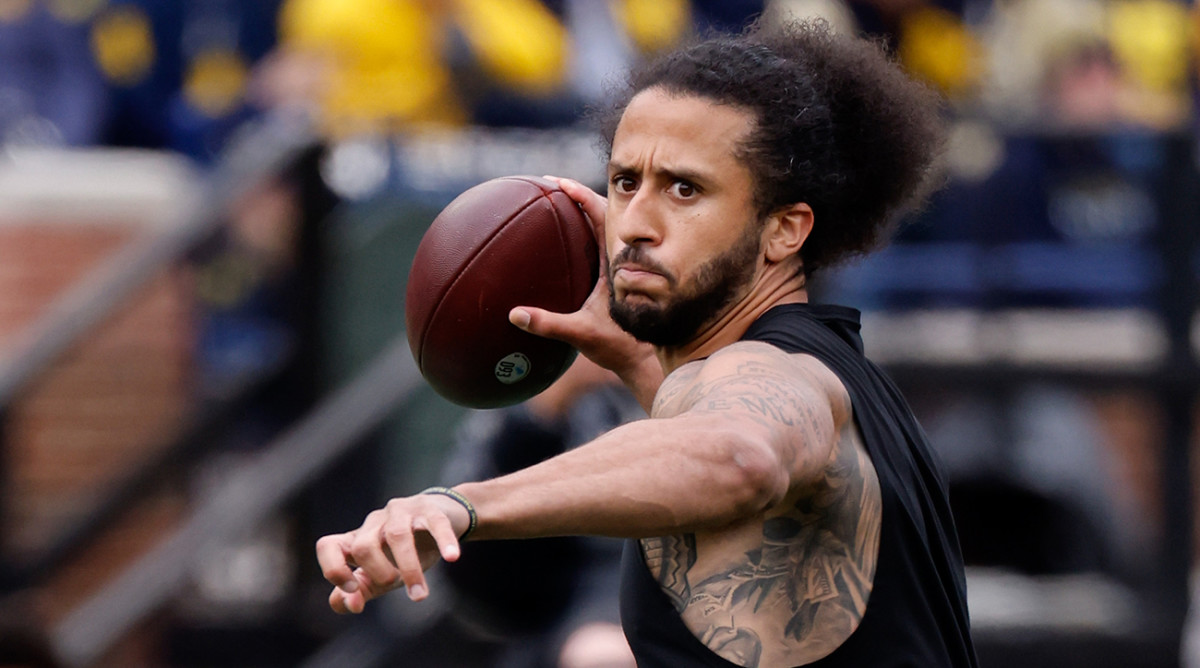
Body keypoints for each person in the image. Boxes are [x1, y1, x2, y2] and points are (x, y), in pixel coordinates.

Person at [317, 18, 979, 668]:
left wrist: (462, 505)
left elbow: (741, 456)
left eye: (684, 189)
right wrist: (640, 364)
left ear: (785, 230)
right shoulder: (754, 382)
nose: (635, 223)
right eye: (626, 181)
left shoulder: (786, 371)